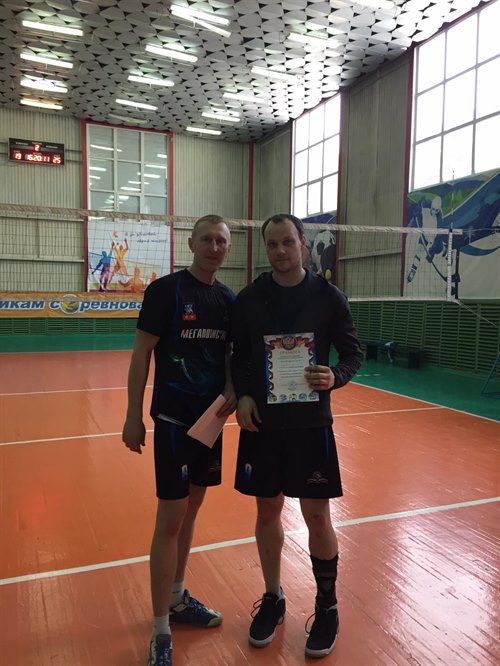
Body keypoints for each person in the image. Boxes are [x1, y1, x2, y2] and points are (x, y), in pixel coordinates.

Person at [231, 213, 363, 659]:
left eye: (287, 242)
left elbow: (353, 353)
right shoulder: (250, 299)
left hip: (311, 425)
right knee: (267, 510)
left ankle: (327, 606)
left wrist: (335, 376)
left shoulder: (329, 297)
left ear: (303, 243)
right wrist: (244, 394)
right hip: (263, 425)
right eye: (272, 244)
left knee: (318, 516)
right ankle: (273, 595)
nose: (280, 251)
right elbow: (239, 357)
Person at [122, 214, 236, 666]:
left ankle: (177, 597)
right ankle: (160, 630)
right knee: (171, 517)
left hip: (211, 423)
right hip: (172, 421)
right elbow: (141, 355)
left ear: (228, 248)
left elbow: (230, 357)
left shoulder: (227, 299)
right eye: (207, 239)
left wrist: (232, 389)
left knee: (192, 509)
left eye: (221, 241)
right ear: (191, 243)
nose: (214, 247)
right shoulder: (165, 291)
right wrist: (133, 416)